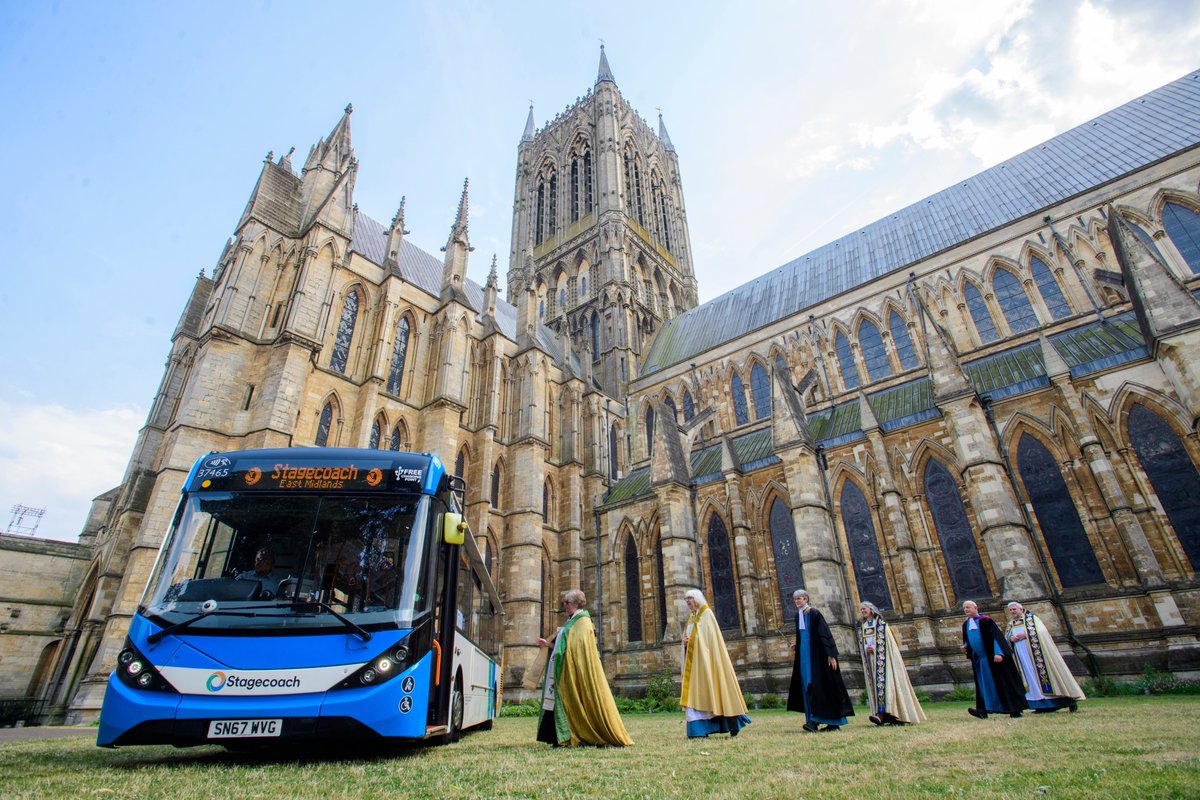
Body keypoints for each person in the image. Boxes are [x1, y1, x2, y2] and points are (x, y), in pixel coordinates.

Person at [535, 589, 632, 747]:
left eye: (566, 603)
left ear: (575, 604)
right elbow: (565, 645)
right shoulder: (571, 621)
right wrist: (547, 644)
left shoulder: (583, 622)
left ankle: (570, 736)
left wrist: (561, 652)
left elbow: (578, 648)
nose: (564, 606)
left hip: (572, 671)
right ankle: (558, 738)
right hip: (563, 670)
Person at [680, 589, 752, 738]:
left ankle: (731, 723)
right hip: (694, 663)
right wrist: (685, 642)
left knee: (715, 689)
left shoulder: (706, 614)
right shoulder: (691, 617)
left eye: (690, 598)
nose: (687, 601)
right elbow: (690, 636)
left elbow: (709, 640)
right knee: (696, 694)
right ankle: (698, 730)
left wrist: (691, 640)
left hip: (706, 663)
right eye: (686, 599)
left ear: (697, 598)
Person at [787, 589, 854, 732]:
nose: (797, 601)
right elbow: (803, 635)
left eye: (800, 598)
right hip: (804, 656)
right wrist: (796, 645)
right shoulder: (797, 616)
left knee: (820, 686)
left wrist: (831, 655)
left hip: (817, 657)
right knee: (807, 687)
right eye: (795, 599)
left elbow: (825, 634)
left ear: (806, 599)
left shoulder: (815, 614)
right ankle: (811, 720)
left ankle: (829, 722)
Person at [1005, 601, 1085, 713]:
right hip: (1022, 659)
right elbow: (1007, 638)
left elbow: (1041, 632)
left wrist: (1026, 634)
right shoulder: (1011, 624)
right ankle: (1040, 705)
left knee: (1048, 678)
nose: (1012, 611)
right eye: (1011, 610)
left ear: (1021, 609)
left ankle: (1067, 701)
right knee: (1031, 680)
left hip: (1038, 657)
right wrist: (1011, 638)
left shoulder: (1032, 620)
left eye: (1014, 609)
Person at [856, 601, 926, 726]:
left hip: (884, 662)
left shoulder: (882, 626)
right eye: (861, 610)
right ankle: (880, 715)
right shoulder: (863, 626)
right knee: (875, 687)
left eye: (864, 609)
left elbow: (890, 645)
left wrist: (876, 648)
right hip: (871, 661)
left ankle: (894, 714)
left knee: (888, 685)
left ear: (871, 609)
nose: (862, 611)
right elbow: (864, 643)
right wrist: (866, 649)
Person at [960, 600, 1028, 719]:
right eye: (964, 608)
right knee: (983, 686)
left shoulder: (986, 621)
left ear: (975, 608)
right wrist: (965, 646)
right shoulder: (966, 624)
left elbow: (996, 638)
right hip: (980, 661)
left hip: (993, 658)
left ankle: (1014, 709)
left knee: (1003, 683)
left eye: (968, 607)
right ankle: (983, 710)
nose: (966, 610)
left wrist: (999, 653)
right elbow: (968, 638)